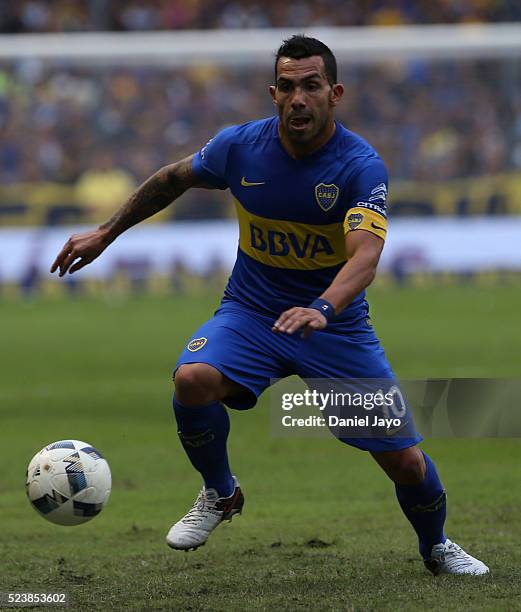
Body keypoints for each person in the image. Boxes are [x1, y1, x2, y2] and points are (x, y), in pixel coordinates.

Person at [51, 35, 488, 576]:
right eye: (287, 87)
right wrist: (106, 232)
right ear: (273, 93)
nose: (298, 98)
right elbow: (171, 180)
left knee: (403, 460)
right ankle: (220, 493)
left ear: (335, 93)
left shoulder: (360, 167)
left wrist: (323, 309)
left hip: (334, 329)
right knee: (192, 379)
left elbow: (366, 258)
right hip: (252, 314)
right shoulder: (240, 147)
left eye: (311, 85)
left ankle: (437, 547)